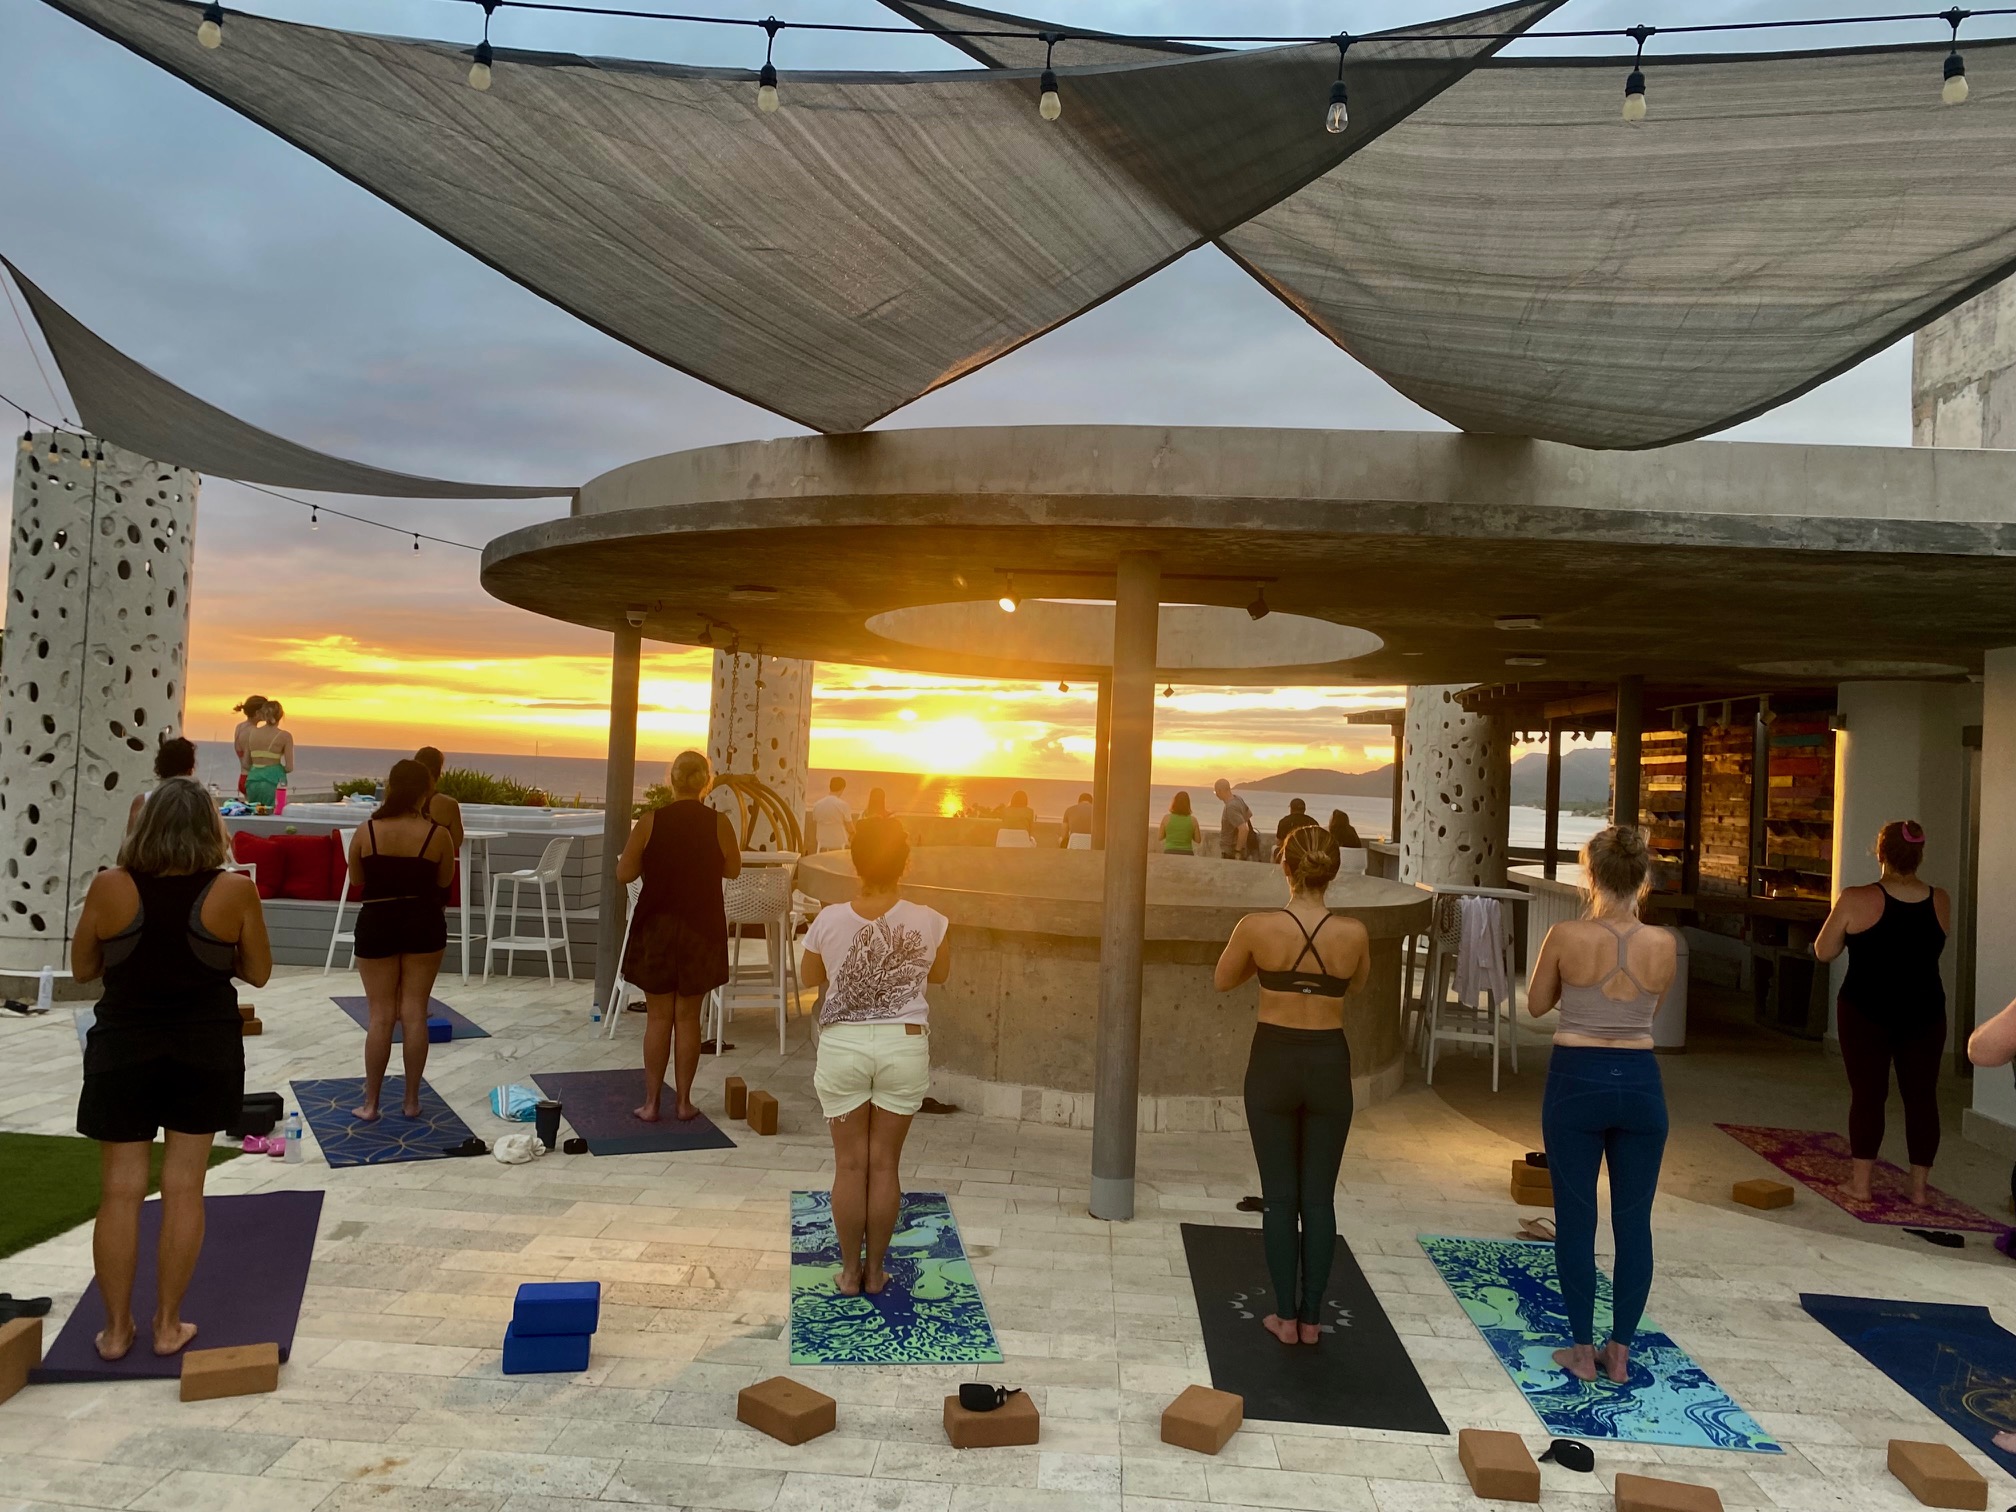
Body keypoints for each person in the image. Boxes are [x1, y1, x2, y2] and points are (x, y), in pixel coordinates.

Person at [72, 778, 270, 1361]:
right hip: (203, 1047)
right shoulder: (232, 890)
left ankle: (114, 1332)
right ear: (211, 829)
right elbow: (257, 972)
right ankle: (165, 1325)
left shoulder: (111, 885)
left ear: (146, 825)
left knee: (120, 1191)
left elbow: (84, 967)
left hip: (122, 1048)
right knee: (184, 1186)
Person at [1525, 826, 1678, 1386]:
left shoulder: (1566, 934)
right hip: (1640, 1082)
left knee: (1577, 1220)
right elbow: (1649, 1012)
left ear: (1589, 874)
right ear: (1644, 878)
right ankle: (1621, 1351)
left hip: (1577, 1079)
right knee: (1634, 1223)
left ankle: (1583, 1350)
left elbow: (1538, 1004)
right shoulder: (1664, 943)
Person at [1213, 826, 1368, 1345]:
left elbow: (1222, 978)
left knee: (1280, 1199)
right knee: (1319, 1200)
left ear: (1285, 866)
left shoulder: (1256, 927)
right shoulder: (1353, 933)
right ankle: (1310, 1319)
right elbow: (1358, 983)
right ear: (1333, 872)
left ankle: (1283, 1317)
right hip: (1327, 1061)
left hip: (1274, 1060)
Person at [801, 818, 951, 1296]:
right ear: (905, 862)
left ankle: (848, 1273)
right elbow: (941, 973)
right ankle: (876, 1271)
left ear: (855, 861)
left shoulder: (829, 918)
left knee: (849, 1166)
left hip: (843, 1045)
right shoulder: (929, 918)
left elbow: (808, 974)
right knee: (884, 1164)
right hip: (901, 1045)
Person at [1814, 820, 1951, 1206]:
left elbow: (1824, 951)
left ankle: (1861, 1184)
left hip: (1865, 1010)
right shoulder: (1940, 898)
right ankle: (1920, 1188)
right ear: (1919, 855)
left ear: (1881, 854)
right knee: (1923, 1097)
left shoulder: (1856, 898)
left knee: (1869, 1095)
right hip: (1925, 1012)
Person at [616, 751, 740, 1121]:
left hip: (656, 924)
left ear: (671, 780)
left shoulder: (651, 821)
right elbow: (733, 869)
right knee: (688, 1017)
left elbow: (623, 873)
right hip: (701, 926)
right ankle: (683, 1103)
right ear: (706, 782)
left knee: (658, 1018)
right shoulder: (719, 823)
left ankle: (651, 1103)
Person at [347, 759, 457, 1122]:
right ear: (427, 791)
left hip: (377, 920)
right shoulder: (437, 835)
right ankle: (411, 1100)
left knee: (380, 1016)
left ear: (390, 787)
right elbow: (444, 883)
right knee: (414, 1013)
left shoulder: (367, 831)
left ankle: (371, 1104)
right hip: (423, 923)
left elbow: (357, 878)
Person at [128, 737, 230, 847]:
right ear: (190, 769)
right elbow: (220, 843)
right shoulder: (203, 802)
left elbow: (128, 848)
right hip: (192, 862)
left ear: (159, 768)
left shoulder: (143, 802)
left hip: (152, 863)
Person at [242, 700, 293, 810]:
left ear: (264, 715)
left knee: (254, 814)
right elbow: (289, 767)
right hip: (273, 781)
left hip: (253, 780)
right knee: (273, 814)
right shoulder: (285, 736)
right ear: (281, 715)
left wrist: (258, 769)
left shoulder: (252, 733)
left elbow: (245, 764)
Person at [412, 747, 465, 851]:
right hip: (435, 862)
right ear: (439, 771)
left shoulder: (401, 801)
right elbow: (456, 842)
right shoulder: (449, 804)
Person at [231, 695, 267, 796]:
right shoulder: (254, 732)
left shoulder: (240, 727)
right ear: (257, 713)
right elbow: (249, 762)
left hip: (243, 777)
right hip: (253, 779)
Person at [1215, 778, 1255, 861]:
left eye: (1216, 792)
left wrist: (1237, 851)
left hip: (1231, 852)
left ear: (1219, 791)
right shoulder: (1238, 798)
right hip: (1239, 850)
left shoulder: (1230, 807)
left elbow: (1244, 829)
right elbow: (1249, 814)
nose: (1216, 794)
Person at [812, 776, 855, 853]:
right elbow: (850, 827)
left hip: (822, 840)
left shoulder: (817, 805)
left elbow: (815, 820)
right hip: (840, 840)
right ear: (842, 788)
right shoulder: (843, 805)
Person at [1160, 791, 1199, 855]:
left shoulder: (1166, 818)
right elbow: (1198, 840)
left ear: (1174, 803)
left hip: (1169, 852)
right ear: (1188, 804)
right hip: (1187, 853)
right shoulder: (1193, 820)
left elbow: (1160, 837)